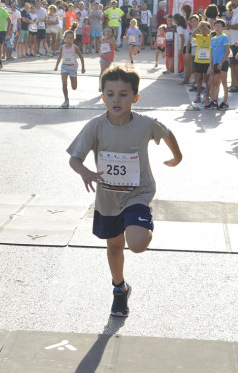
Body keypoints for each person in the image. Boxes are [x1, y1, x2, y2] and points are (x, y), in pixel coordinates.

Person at [67, 64, 182, 317]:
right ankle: (120, 289)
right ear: (102, 96)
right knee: (115, 247)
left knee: (137, 244)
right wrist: (84, 171)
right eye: (110, 94)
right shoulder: (95, 126)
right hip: (108, 198)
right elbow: (74, 159)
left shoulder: (145, 124)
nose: (116, 99)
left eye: (123, 94)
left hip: (138, 193)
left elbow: (167, 132)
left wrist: (177, 157)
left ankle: (143, 225)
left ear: (135, 97)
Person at [54, 27, 85, 108]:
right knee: (64, 83)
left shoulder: (75, 48)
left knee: (74, 87)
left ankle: (74, 80)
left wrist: (83, 67)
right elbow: (60, 57)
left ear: (73, 39)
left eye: (71, 38)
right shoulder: (62, 47)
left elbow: (81, 57)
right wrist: (56, 66)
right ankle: (66, 99)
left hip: (73, 68)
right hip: (64, 67)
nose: (69, 40)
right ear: (64, 39)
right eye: (67, 38)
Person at [206, 19, 230, 110]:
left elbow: (227, 52)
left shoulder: (225, 37)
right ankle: (214, 101)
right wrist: (211, 65)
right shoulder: (213, 39)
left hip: (222, 63)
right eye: (216, 26)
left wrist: (221, 62)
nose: (217, 28)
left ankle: (225, 102)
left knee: (224, 82)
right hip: (215, 64)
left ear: (223, 28)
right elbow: (211, 53)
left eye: (219, 26)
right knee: (216, 82)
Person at [192, 21, 212, 105]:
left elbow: (212, 34)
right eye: (202, 29)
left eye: (205, 29)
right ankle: (198, 96)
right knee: (199, 79)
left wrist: (207, 28)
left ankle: (207, 96)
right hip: (199, 61)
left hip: (207, 62)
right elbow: (193, 33)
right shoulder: (199, 37)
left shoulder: (210, 37)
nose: (203, 31)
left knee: (207, 80)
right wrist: (199, 26)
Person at [99, 26, 118, 92]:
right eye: (107, 31)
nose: (108, 33)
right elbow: (101, 48)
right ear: (104, 32)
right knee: (102, 71)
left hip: (110, 58)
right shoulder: (102, 40)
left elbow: (116, 46)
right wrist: (100, 53)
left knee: (109, 72)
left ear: (112, 34)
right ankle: (100, 85)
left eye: (110, 32)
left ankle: (109, 86)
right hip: (103, 57)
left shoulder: (112, 39)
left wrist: (110, 42)